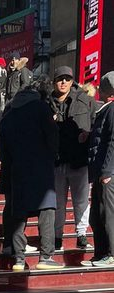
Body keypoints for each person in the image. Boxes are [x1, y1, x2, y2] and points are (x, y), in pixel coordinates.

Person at [0, 79, 60, 271]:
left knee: (19, 215)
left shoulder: (8, 114)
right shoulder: (42, 109)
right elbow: (53, 138)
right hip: (41, 168)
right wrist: (52, 157)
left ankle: (18, 258)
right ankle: (46, 257)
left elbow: (1, 151)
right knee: (47, 211)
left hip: (17, 169)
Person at [48, 66, 97, 252]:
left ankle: (81, 234)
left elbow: (95, 123)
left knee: (82, 201)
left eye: (67, 79)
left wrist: (88, 135)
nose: (64, 82)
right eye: (60, 78)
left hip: (79, 160)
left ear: (72, 81)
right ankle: (57, 236)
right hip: (57, 160)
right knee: (57, 202)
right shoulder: (46, 102)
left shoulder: (85, 100)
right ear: (54, 81)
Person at [88, 71, 114, 266]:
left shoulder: (112, 110)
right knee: (96, 214)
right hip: (100, 171)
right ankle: (101, 253)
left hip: (107, 173)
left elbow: (112, 142)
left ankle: (110, 253)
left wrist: (107, 171)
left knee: (107, 214)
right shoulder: (105, 110)